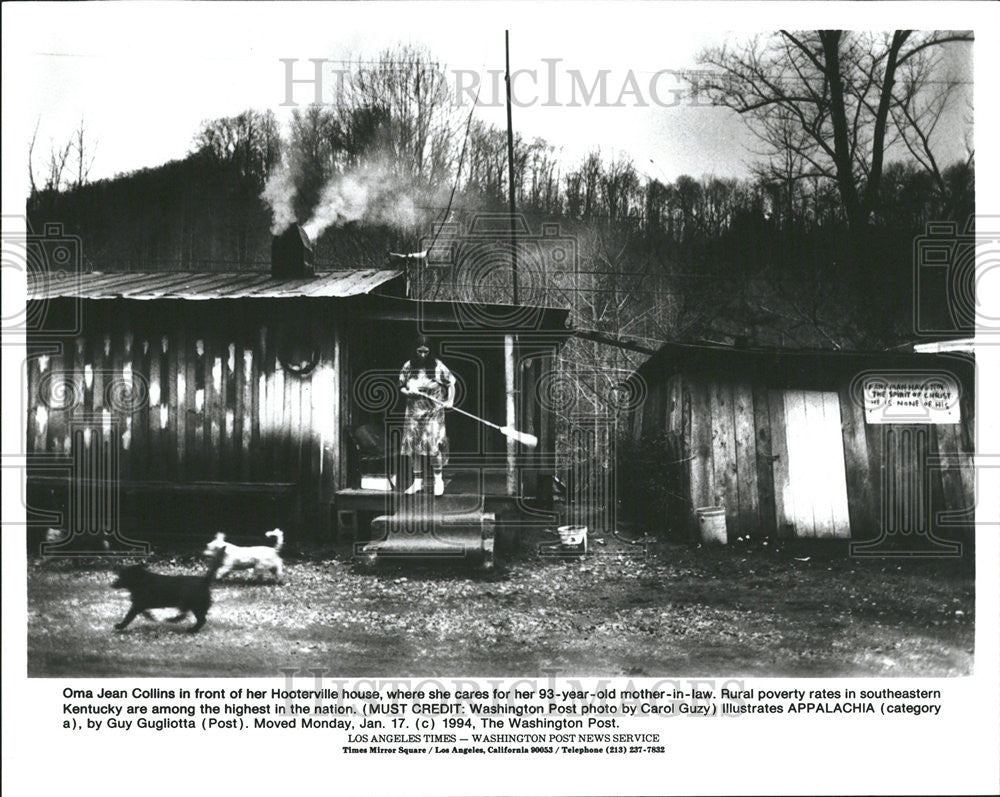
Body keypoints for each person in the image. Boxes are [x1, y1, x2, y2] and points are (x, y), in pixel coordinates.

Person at [398, 336, 455, 495]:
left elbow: (451, 384)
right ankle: (417, 482)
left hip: (433, 413)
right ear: (414, 351)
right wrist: (408, 392)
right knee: (414, 448)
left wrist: (450, 400)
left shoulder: (438, 366)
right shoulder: (408, 366)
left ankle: (438, 480)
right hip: (413, 414)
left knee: (433, 446)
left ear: (430, 352)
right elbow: (401, 386)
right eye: (419, 351)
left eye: (425, 352)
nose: (422, 355)